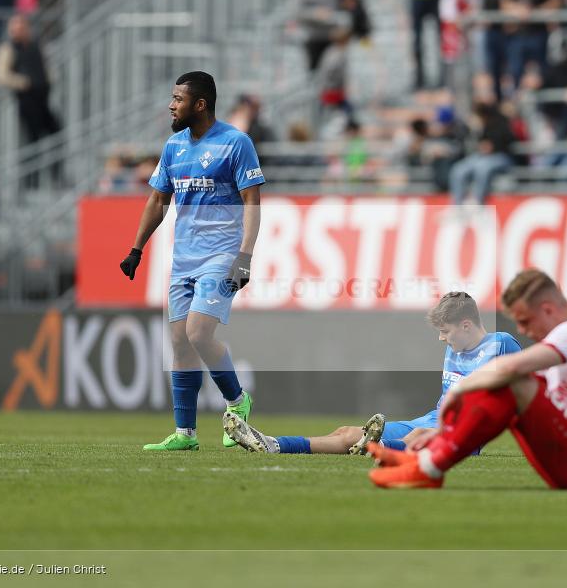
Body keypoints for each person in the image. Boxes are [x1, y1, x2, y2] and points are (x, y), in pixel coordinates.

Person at [368, 269, 567, 490]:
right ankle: (426, 462)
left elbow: (509, 371)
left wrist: (455, 397)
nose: (522, 330)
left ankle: (427, 468)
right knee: (509, 384)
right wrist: (445, 432)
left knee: (511, 379)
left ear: (548, 309)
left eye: (525, 321)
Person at [119, 71, 265, 452]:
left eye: (178, 99)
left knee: (199, 333)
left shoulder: (236, 143)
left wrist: (245, 256)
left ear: (199, 104)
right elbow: (157, 200)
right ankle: (185, 435)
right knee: (180, 343)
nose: (171, 105)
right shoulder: (174, 147)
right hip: (183, 257)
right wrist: (137, 249)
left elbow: (252, 202)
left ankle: (237, 401)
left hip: (221, 255)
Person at [222, 292, 521, 455]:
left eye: (445, 331)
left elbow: (524, 393)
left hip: (461, 433)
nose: (442, 339)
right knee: (346, 432)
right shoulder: (455, 347)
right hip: (432, 420)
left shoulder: (502, 345)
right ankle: (273, 444)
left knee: (411, 436)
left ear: (466, 325)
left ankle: (375, 446)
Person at [0, 14, 60, 143]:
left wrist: (49, 78)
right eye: (15, 28)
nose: (18, 31)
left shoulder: (35, 45)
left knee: (55, 131)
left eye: (21, 27)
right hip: (27, 99)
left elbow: (45, 65)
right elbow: (0, 75)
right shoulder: (8, 48)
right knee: (32, 136)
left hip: (42, 97)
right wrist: (23, 82)